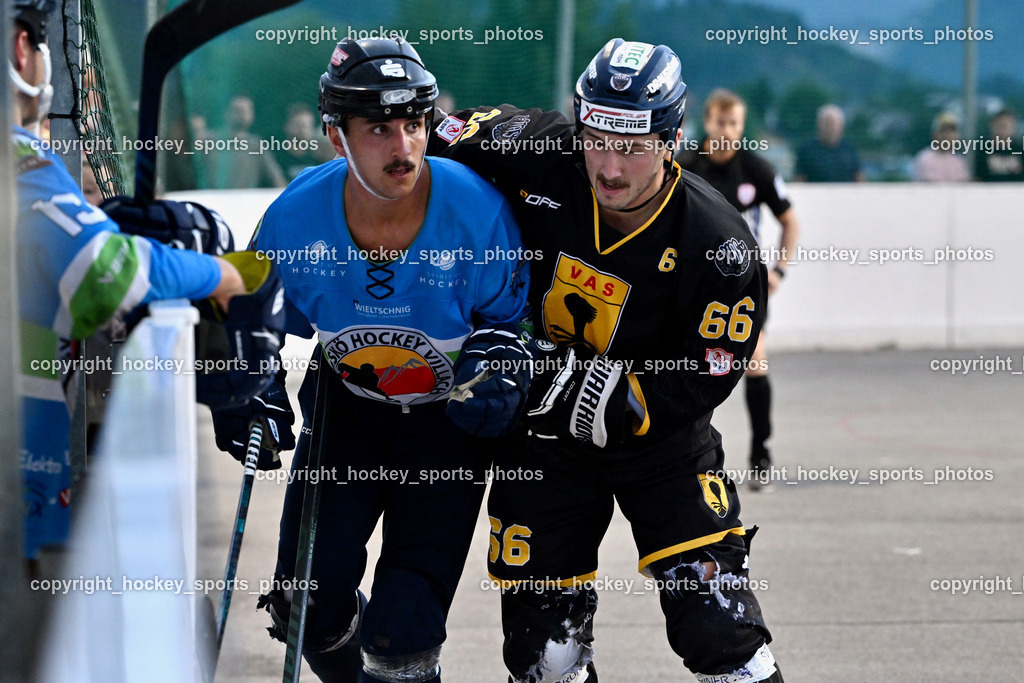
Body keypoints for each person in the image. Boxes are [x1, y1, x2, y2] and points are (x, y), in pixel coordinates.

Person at [431, 39, 782, 682]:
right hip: (543, 447)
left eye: (634, 144)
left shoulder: (720, 245)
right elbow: (414, 138)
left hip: (664, 447)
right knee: (546, 657)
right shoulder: (537, 148)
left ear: (672, 138)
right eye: (598, 137)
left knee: (719, 628)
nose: (611, 167)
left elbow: (711, 372)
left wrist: (609, 396)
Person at [212, 38, 530, 682]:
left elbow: (515, 324)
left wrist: (506, 364)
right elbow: (245, 318)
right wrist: (250, 387)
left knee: (402, 631)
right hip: (346, 415)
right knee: (307, 605)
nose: (404, 146)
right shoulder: (296, 217)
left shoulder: (477, 212)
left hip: (446, 428)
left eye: (413, 125)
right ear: (337, 137)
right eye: (379, 129)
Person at [10, 0, 279, 565]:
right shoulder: (17, 161)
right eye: (42, 43)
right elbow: (110, 273)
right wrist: (219, 272)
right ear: (20, 50)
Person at [678, 88, 800, 488]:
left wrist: (780, 270)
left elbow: (791, 221)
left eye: (733, 124)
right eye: (719, 122)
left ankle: (760, 453)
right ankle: (680, 454)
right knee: (681, 363)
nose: (726, 130)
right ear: (707, 123)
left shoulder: (757, 170)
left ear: (741, 126)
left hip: (746, 284)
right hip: (695, 282)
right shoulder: (686, 165)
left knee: (755, 360)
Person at [205, 95, 287, 189]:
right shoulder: (208, 141)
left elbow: (276, 178)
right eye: (238, 110)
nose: (243, 114)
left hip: (247, 201)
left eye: (247, 111)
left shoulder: (257, 145)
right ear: (226, 113)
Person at [794, 103, 863, 182]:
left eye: (834, 124)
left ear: (841, 126)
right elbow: (799, 180)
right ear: (819, 125)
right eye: (827, 123)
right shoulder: (807, 151)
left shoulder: (849, 150)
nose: (831, 128)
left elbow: (858, 177)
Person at [912, 112, 970, 182]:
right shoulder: (925, 158)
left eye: (952, 131)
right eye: (944, 131)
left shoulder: (958, 161)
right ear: (935, 134)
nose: (948, 135)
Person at [974, 108, 1023, 182]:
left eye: (1007, 126)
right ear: (992, 126)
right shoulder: (983, 149)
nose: (1004, 129)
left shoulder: (1019, 150)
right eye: (1000, 125)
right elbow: (978, 177)